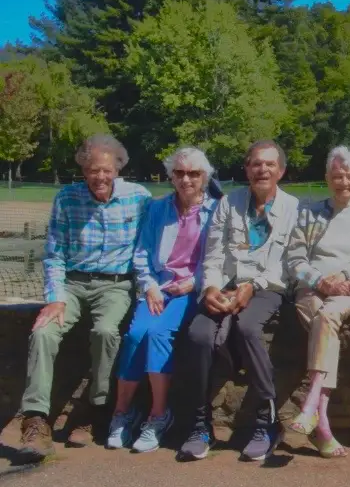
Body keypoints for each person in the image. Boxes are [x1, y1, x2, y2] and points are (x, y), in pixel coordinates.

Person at [16, 134, 152, 461]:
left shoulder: (140, 198)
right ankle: (36, 420)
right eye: (92, 170)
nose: (99, 177)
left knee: (106, 332)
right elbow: (54, 255)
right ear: (83, 170)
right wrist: (55, 297)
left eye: (106, 170)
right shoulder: (67, 198)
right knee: (43, 332)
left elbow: (151, 246)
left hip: (117, 285)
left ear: (118, 168)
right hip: (73, 284)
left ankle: (95, 411)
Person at [177, 140, 301, 462]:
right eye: (256, 164)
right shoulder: (228, 204)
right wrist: (211, 289)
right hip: (226, 285)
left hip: (268, 286)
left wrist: (252, 286)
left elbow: (287, 263)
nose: (262, 169)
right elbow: (213, 254)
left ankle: (267, 421)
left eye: (270, 164)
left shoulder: (293, 208)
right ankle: (200, 425)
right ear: (246, 169)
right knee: (199, 334)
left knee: (247, 328)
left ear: (281, 171)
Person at [107, 147, 221, 453]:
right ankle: (122, 412)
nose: (186, 180)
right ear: (171, 176)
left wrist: (194, 283)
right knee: (135, 334)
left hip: (191, 291)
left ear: (204, 177)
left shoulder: (216, 212)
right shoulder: (158, 209)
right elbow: (142, 252)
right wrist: (149, 287)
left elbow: (218, 258)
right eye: (180, 173)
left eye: (194, 174)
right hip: (159, 288)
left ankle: (159, 415)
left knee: (159, 334)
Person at [283, 147, 350, 458]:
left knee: (328, 315)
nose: (344, 182)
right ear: (327, 178)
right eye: (337, 176)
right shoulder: (310, 212)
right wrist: (321, 280)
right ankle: (322, 420)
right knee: (323, 316)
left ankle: (311, 403)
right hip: (312, 288)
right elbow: (294, 259)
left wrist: (345, 275)